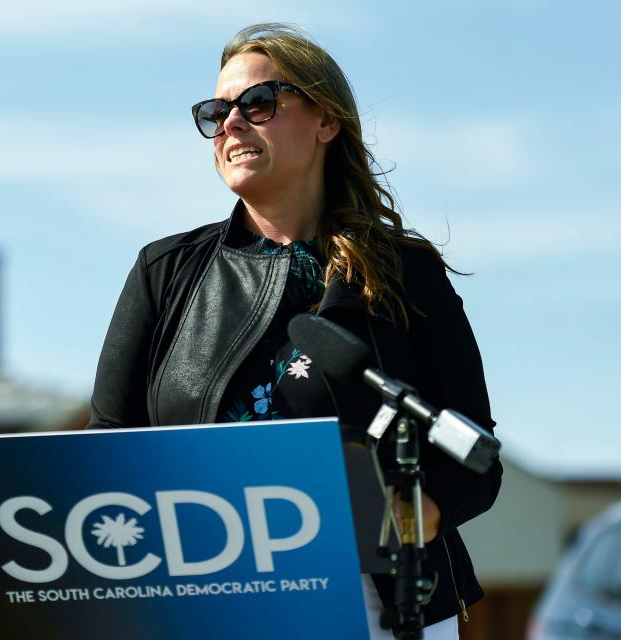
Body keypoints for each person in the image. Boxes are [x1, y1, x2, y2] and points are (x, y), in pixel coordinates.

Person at [88, 23, 502, 638]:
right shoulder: (164, 271)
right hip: (203, 594)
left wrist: (411, 517)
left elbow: (473, 451)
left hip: (377, 604)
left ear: (326, 121)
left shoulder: (406, 275)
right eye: (215, 112)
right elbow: (107, 447)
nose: (231, 124)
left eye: (258, 103)